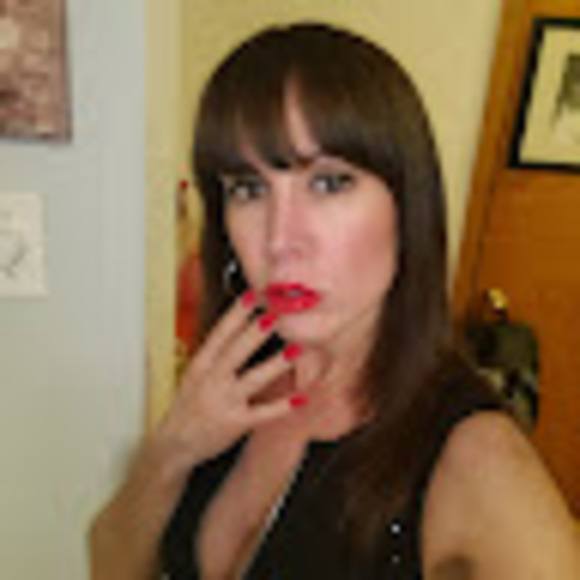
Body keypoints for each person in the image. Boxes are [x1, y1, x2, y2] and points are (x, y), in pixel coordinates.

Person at [89, 23, 580, 579]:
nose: (280, 240)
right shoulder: (229, 383)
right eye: (249, 189)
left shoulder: (476, 457)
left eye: (328, 183)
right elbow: (107, 564)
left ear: (406, 207)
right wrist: (174, 448)